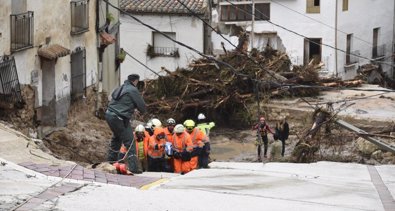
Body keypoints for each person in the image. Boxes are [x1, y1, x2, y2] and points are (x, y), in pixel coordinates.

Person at [105, 74, 146, 173]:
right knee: (130, 141)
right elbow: (142, 107)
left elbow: (118, 102)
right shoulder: (133, 90)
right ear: (135, 81)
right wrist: (140, 110)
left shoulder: (120, 87)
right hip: (119, 117)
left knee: (117, 138)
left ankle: (110, 163)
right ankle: (134, 168)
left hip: (109, 115)